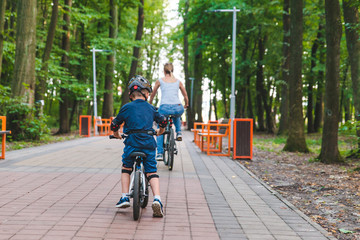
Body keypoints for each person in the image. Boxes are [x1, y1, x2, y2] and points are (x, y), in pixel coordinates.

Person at [110, 75, 167, 217]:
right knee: (152, 171)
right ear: (146, 93)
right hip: (148, 144)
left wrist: (116, 134)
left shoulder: (126, 108)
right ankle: (158, 199)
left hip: (131, 144)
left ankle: (124, 196)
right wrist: (160, 131)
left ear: (130, 94)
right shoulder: (151, 108)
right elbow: (163, 121)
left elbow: (114, 124)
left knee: (126, 168)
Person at [149, 62, 189, 160]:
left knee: (160, 127)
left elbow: (153, 93)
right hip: (178, 106)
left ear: (164, 71)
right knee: (177, 114)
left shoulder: (160, 81)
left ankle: (159, 154)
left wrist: (149, 103)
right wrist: (186, 104)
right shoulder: (178, 81)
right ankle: (179, 132)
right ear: (172, 70)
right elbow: (185, 95)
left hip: (164, 108)